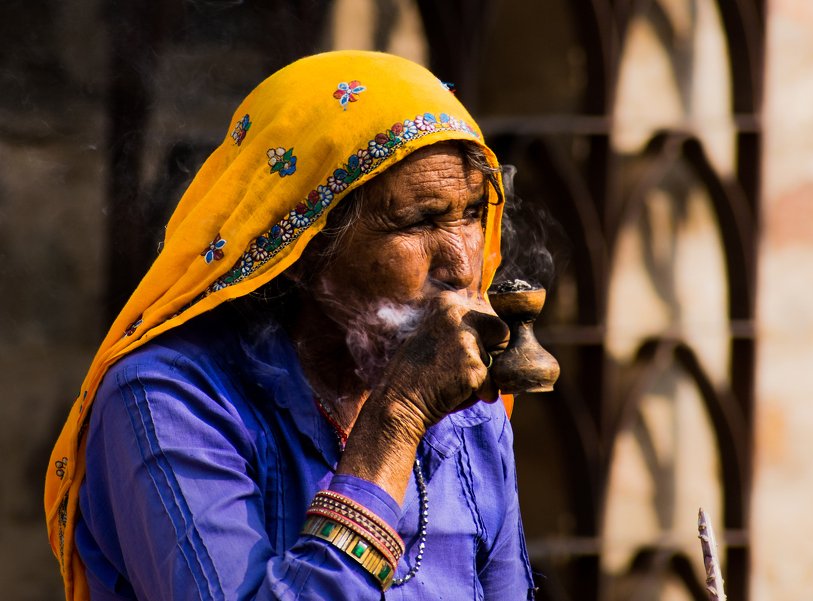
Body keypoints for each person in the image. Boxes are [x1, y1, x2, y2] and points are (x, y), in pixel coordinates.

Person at [44, 50, 536, 600]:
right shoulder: (168, 400)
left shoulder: (468, 413)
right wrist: (398, 418)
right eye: (419, 221)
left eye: (470, 214)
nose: (462, 265)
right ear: (302, 245)